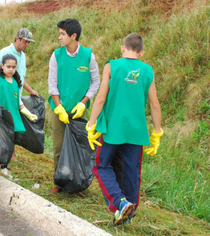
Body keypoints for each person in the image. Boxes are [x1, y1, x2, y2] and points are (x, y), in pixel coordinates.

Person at [86, 33, 163, 226]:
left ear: (122, 48)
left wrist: (91, 123)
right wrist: (157, 132)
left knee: (101, 165)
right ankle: (128, 213)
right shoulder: (147, 70)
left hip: (113, 129)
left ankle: (120, 203)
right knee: (132, 172)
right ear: (142, 52)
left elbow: (101, 98)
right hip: (136, 132)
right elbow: (154, 104)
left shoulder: (112, 66)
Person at [47, 18, 100, 194]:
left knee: (79, 147)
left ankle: (77, 183)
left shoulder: (88, 56)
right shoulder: (56, 55)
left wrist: (83, 103)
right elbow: (52, 85)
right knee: (59, 147)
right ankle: (60, 182)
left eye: (63, 34)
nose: (59, 37)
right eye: (60, 33)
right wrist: (59, 107)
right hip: (60, 108)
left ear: (73, 35)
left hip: (79, 112)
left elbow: (95, 82)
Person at [0, 54, 38, 173]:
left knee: (8, 143)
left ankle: (4, 166)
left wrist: (28, 113)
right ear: (2, 66)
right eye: (8, 66)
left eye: (14, 67)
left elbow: (18, 102)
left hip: (11, 118)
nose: (11, 69)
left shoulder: (15, 82)